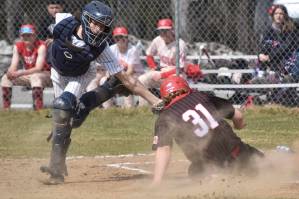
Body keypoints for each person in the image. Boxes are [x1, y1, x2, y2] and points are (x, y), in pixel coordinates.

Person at [40, 0, 163, 185]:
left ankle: (55, 169)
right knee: (66, 119)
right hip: (57, 72)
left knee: (63, 108)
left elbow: (127, 79)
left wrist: (155, 100)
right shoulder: (63, 20)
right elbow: (51, 25)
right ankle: (108, 89)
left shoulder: (101, 48)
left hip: (79, 75)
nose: (98, 29)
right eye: (94, 23)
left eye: (103, 26)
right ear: (85, 19)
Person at [151, 76, 264, 186]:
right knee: (265, 165)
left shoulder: (165, 117)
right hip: (237, 152)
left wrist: (157, 182)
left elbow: (163, 149)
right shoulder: (200, 96)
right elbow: (238, 116)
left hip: (210, 165)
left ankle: (217, 178)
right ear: (185, 88)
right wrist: (239, 125)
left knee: (194, 171)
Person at [138, 18, 187, 106]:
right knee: (142, 80)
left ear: (172, 30)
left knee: (175, 79)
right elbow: (149, 55)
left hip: (176, 73)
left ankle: (173, 107)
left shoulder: (180, 44)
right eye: (161, 31)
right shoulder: (158, 40)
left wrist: (162, 75)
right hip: (161, 70)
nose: (163, 34)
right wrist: (153, 67)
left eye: (165, 31)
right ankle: (143, 108)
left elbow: (181, 68)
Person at [1, 24, 51, 110]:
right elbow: (14, 64)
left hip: (45, 74)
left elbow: (38, 68)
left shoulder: (41, 46)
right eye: (24, 35)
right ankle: (6, 109)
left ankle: (38, 109)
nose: (26, 37)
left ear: (34, 35)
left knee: (35, 77)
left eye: (29, 35)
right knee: (6, 78)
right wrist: (10, 72)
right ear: (20, 36)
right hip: (29, 74)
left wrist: (21, 72)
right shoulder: (18, 46)